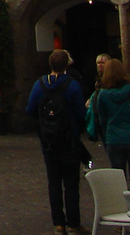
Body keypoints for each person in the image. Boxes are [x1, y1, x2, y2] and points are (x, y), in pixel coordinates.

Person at [25, 49, 87, 235]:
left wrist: (46, 123)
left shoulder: (39, 84)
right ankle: (74, 224)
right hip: (69, 139)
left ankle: (58, 224)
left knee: (53, 181)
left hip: (48, 140)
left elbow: (30, 109)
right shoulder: (72, 85)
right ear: (66, 65)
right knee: (70, 182)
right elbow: (80, 113)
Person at [93, 57, 130, 189]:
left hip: (114, 138)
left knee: (118, 179)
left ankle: (121, 205)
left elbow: (102, 119)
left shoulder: (102, 94)